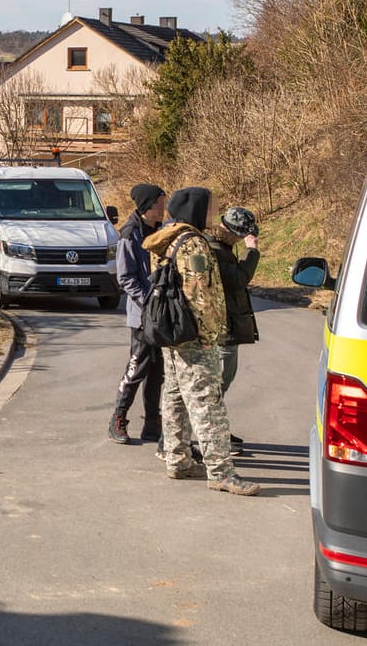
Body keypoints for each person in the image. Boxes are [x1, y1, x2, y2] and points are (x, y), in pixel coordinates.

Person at [143, 186, 259, 496]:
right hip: (196, 338)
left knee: (176, 397)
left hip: (173, 335)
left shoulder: (169, 238)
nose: (214, 214)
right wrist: (211, 338)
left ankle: (178, 460)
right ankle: (220, 472)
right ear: (196, 209)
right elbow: (201, 297)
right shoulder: (193, 245)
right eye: (211, 207)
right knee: (209, 403)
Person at [107, 183, 166, 445]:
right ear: (148, 206)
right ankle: (118, 417)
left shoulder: (163, 229)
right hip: (142, 317)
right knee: (137, 368)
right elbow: (126, 278)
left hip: (161, 315)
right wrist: (148, 301)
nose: (163, 206)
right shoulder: (129, 234)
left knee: (157, 372)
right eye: (160, 202)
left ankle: (152, 423)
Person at [212, 206, 261, 446]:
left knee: (222, 382)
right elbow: (238, 280)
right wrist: (252, 252)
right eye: (242, 235)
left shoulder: (223, 249)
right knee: (218, 384)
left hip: (228, 327)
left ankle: (218, 430)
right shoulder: (217, 252)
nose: (244, 239)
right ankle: (212, 436)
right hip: (223, 330)